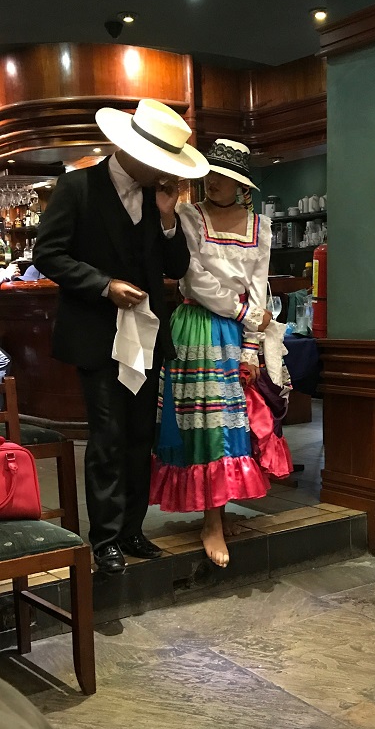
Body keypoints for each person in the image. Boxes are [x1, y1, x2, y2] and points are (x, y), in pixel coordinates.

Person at [33, 99, 209, 575]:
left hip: (146, 336)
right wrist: (103, 285)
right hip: (96, 335)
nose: (164, 172)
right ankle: (106, 539)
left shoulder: (158, 198)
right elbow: (48, 254)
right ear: (130, 150)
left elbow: (177, 267)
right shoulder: (77, 187)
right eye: (159, 161)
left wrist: (169, 218)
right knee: (108, 436)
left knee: (139, 436)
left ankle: (133, 529)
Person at [150, 138, 292, 567]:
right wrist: (247, 314)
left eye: (224, 177)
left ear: (241, 185)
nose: (214, 181)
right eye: (210, 173)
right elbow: (193, 279)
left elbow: (258, 285)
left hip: (238, 333)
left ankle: (219, 510)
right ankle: (210, 521)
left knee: (235, 427)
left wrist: (251, 347)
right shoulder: (189, 216)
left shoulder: (260, 226)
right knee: (205, 425)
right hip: (198, 326)